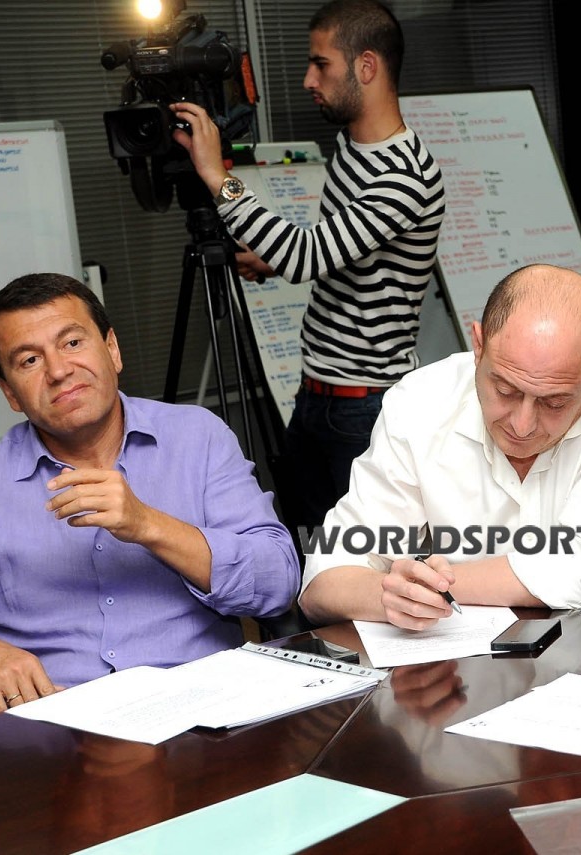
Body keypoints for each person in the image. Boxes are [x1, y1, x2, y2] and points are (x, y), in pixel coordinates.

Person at [0, 274, 300, 711]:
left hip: (207, 709)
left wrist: (148, 524)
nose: (58, 371)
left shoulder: (198, 438)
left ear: (112, 349)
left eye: (72, 343)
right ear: (9, 391)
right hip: (56, 723)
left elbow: (277, 581)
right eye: (29, 360)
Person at [299, 263, 581, 629]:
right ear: (478, 346)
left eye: (554, 402)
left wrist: (438, 586)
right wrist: (392, 596)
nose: (522, 424)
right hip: (486, 672)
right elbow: (327, 575)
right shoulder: (421, 400)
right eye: (504, 390)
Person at [171, 0, 446, 534]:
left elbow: (305, 256)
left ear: (367, 66)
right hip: (316, 392)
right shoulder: (352, 147)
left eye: (321, 64)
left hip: (366, 410)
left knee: (371, 561)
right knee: (307, 545)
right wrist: (271, 260)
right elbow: (343, 252)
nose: (307, 80)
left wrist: (215, 176)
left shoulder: (407, 177)